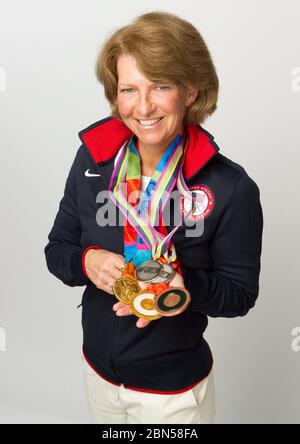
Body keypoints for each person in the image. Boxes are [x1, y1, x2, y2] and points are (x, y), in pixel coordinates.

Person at [44, 11, 263, 424]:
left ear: (191, 92)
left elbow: (239, 295)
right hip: (100, 375)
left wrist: (187, 288)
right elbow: (57, 250)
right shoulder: (93, 159)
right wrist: (86, 261)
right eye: (129, 89)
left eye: (160, 86)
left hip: (172, 394)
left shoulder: (231, 187)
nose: (142, 106)